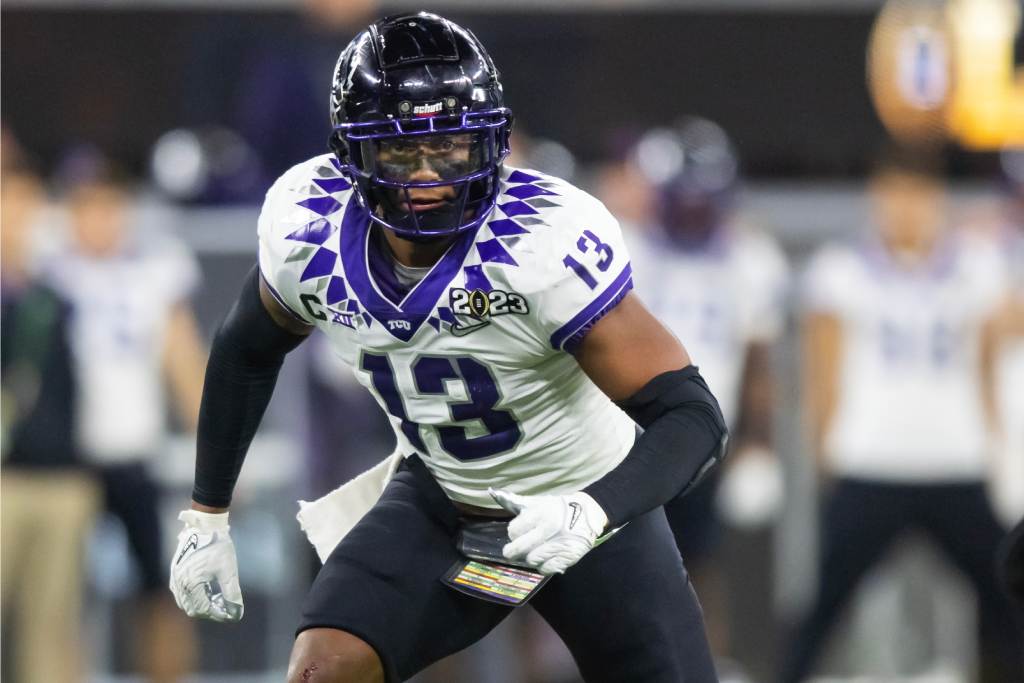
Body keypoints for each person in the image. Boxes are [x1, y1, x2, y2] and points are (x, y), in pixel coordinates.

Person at [168, 12, 728, 683]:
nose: (429, 175)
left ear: (491, 142)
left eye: (453, 147)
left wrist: (595, 507)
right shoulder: (309, 229)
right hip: (445, 498)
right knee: (325, 668)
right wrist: (206, 512)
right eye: (401, 152)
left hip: (586, 513)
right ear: (352, 154)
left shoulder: (539, 244)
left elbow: (693, 413)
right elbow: (247, 348)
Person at [779, 146, 1023, 683]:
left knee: (1006, 597)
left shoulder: (979, 263)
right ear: (876, 201)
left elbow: (993, 359)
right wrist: (823, 452)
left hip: (956, 459)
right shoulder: (840, 270)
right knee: (824, 603)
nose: (908, 210)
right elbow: (823, 374)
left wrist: (998, 445)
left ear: (939, 203)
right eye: (896, 197)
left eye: (920, 198)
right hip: (871, 458)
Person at [625, 118, 789, 667]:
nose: (694, 211)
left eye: (704, 200)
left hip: (702, 436)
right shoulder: (623, 247)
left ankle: (702, 670)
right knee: (608, 576)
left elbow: (758, 362)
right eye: (684, 199)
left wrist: (758, 441)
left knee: (699, 568)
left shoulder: (751, 259)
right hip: (624, 433)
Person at [46, 154, 205, 683]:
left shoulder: (153, 271)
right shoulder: (49, 272)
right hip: (65, 460)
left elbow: (184, 365)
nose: (98, 220)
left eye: (108, 206)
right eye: (86, 207)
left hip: (135, 451)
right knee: (58, 598)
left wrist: (219, 461)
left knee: (158, 589)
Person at [1, 145, 101, 683]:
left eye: (28, 207)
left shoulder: (58, 295)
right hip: (5, 481)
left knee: (51, 638)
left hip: (62, 479)